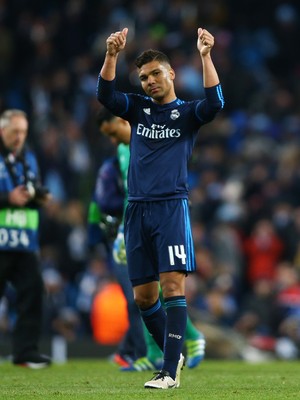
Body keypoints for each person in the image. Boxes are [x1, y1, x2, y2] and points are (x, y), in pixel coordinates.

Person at [97, 27, 224, 389]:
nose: (149, 81)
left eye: (155, 73)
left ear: (170, 73)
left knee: (172, 288)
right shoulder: (137, 110)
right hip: (135, 210)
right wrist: (111, 55)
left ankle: (169, 371)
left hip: (170, 208)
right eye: (143, 77)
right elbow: (105, 94)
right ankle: (176, 352)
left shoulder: (185, 114)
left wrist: (205, 56)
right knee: (143, 297)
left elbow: (215, 104)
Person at [0, 109, 52, 368]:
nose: (19, 137)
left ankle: (25, 351)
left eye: (23, 132)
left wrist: (39, 198)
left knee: (32, 294)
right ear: (2, 131)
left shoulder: (29, 158)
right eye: (14, 132)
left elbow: (33, 190)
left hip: (23, 241)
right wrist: (6, 199)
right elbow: (11, 196)